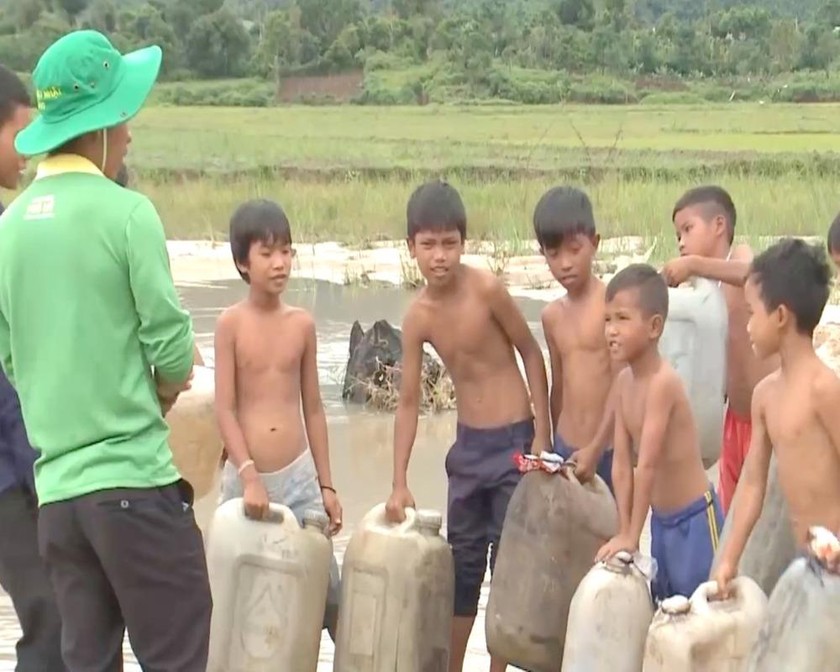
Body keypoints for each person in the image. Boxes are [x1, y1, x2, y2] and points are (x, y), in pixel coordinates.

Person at [0, 31, 211, 670]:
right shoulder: (127, 214)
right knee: (176, 651)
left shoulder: (6, 230)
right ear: (96, 129)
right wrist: (160, 391)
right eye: (123, 119)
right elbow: (173, 347)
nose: (128, 136)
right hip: (133, 488)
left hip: (58, 502)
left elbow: (12, 359)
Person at [384, 180, 551, 672]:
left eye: (450, 243)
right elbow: (410, 401)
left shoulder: (487, 289)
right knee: (462, 568)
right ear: (411, 246)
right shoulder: (418, 318)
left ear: (465, 242)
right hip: (468, 451)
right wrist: (399, 481)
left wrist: (542, 436)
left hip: (515, 440)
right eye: (429, 245)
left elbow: (531, 353)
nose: (440, 257)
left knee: (508, 568)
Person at [214, 198, 344, 640]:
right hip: (244, 482)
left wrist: (326, 485)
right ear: (242, 262)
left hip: (299, 479)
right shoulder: (230, 324)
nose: (280, 263)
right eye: (267, 253)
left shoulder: (302, 325)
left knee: (330, 597)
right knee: (242, 602)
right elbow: (224, 409)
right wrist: (249, 475)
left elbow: (313, 409)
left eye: (286, 251)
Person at [712, 239, 840, 591]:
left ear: (781, 316)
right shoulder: (765, 395)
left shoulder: (824, 389)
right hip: (806, 559)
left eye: (752, 313)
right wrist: (729, 559)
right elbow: (752, 484)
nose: (748, 325)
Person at [595, 264, 724, 603]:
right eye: (607, 320)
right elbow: (622, 464)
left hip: (696, 520)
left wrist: (631, 535)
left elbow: (647, 466)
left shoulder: (663, 384)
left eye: (622, 319)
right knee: (664, 609)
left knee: (704, 613)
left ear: (654, 327)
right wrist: (626, 531)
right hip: (662, 524)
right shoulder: (624, 383)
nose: (611, 330)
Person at [0, 64, 66, 672]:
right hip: (7, 476)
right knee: (54, 622)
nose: (26, 154)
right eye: (19, 135)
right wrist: (33, 466)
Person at [661, 186, 778, 514]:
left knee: (766, 509)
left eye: (687, 229)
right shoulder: (703, 289)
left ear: (718, 225)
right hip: (734, 418)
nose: (681, 242)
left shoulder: (738, 258)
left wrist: (695, 264)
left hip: (764, 419)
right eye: (677, 235)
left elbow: (752, 275)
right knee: (732, 511)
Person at [535, 186, 621, 493]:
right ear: (542, 253)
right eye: (554, 254)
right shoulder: (552, 316)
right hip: (565, 447)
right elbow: (558, 387)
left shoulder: (614, 305)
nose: (565, 263)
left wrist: (597, 447)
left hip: (609, 449)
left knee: (612, 535)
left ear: (594, 244)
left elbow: (623, 384)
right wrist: (550, 448)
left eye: (574, 249)